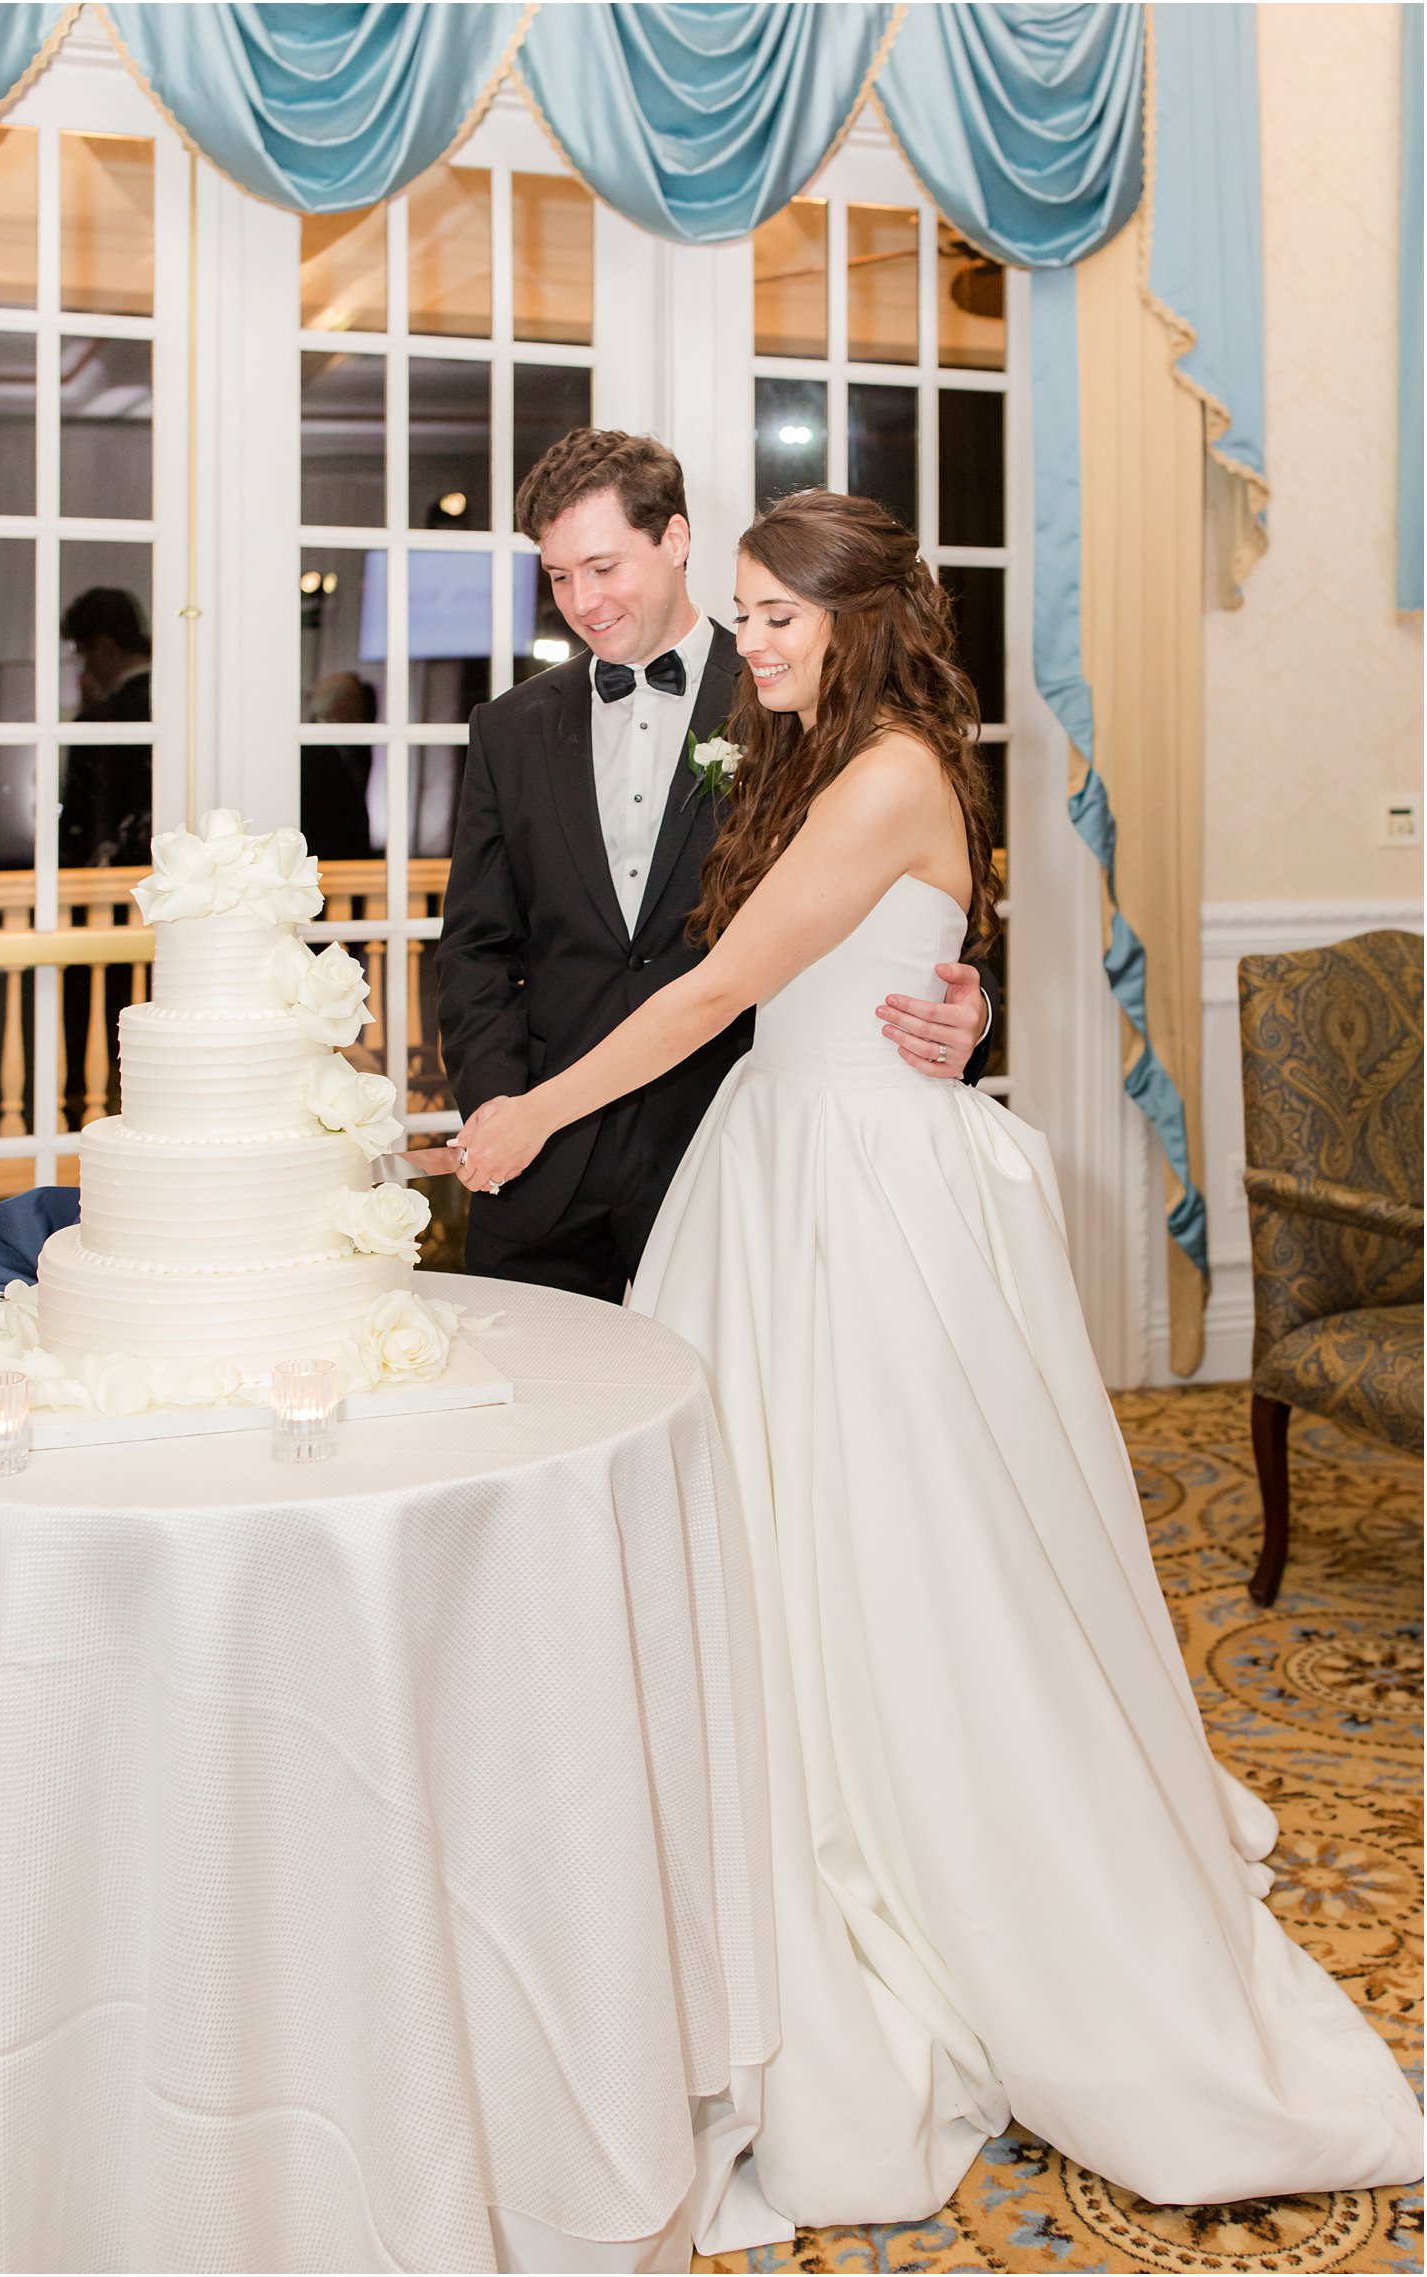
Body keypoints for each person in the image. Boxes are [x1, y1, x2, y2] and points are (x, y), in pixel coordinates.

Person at [445, 491, 1423, 2224]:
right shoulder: (814, 744)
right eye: (736, 613)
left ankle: (944, 1852)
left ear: (858, 614)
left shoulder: (888, 761)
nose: (745, 644)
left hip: (861, 1194)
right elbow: (837, 959)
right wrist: (955, 979)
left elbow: (708, 991)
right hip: (793, 1157)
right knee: (783, 1539)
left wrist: (525, 1113)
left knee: (896, 1547)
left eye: (771, 616)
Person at [435, 430, 997, 1302]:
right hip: (543, 1160)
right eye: (558, 576)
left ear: (675, 541)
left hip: (728, 1141)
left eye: (603, 566)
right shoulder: (510, 727)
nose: (582, 602)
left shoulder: (790, 692)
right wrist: (506, 1109)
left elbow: (931, 909)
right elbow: (475, 946)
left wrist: (978, 1010)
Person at [57, 587, 152, 868]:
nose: (85, 666)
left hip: (112, 868)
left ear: (104, 645)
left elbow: (84, 818)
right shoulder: (177, 703)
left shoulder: (104, 719)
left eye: (83, 653)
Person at [301, 672, 375, 860]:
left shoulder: (356, 746)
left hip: (350, 860)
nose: (361, 708)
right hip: (326, 862)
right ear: (341, 705)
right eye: (356, 700)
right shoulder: (309, 749)